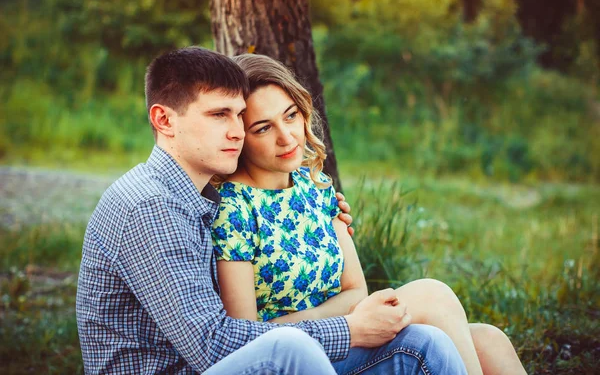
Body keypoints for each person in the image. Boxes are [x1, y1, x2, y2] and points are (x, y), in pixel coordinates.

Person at [76, 46, 468, 374]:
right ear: (164, 120)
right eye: (218, 115)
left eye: (237, 116)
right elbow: (212, 344)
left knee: (424, 343)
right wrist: (349, 330)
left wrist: (314, 220)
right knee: (289, 351)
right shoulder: (151, 207)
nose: (235, 131)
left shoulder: (194, 196)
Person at [211, 53, 527, 375]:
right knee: (433, 297)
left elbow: (356, 290)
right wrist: (349, 324)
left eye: (290, 116)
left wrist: (357, 321)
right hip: (298, 358)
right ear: (240, 138)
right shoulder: (234, 209)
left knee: (489, 340)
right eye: (263, 128)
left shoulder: (314, 185)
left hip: (349, 332)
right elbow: (246, 336)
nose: (286, 136)